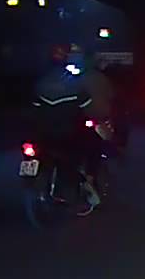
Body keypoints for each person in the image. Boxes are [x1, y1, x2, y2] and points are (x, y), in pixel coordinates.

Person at [30, 45, 101, 209]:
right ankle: (88, 182)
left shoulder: (40, 83)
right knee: (93, 145)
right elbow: (88, 107)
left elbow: (34, 109)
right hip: (67, 133)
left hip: (44, 134)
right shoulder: (73, 84)